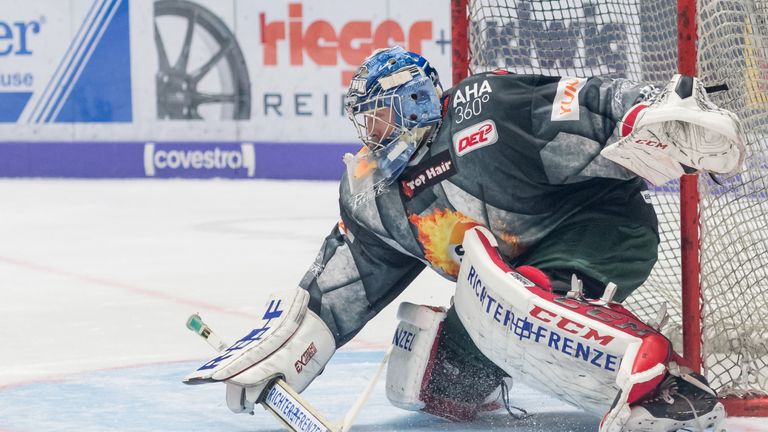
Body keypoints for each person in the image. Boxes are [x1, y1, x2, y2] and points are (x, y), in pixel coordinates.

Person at [185, 46, 744, 432]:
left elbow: (574, 103)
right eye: (366, 125)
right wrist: (285, 355)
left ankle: (667, 389)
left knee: (526, 298)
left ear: (413, 103)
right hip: (498, 291)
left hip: (597, 229)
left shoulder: (483, 112)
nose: (372, 136)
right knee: (442, 389)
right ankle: (557, 333)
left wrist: (645, 112)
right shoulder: (380, 196)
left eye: (380, 118)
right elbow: (344, 282)